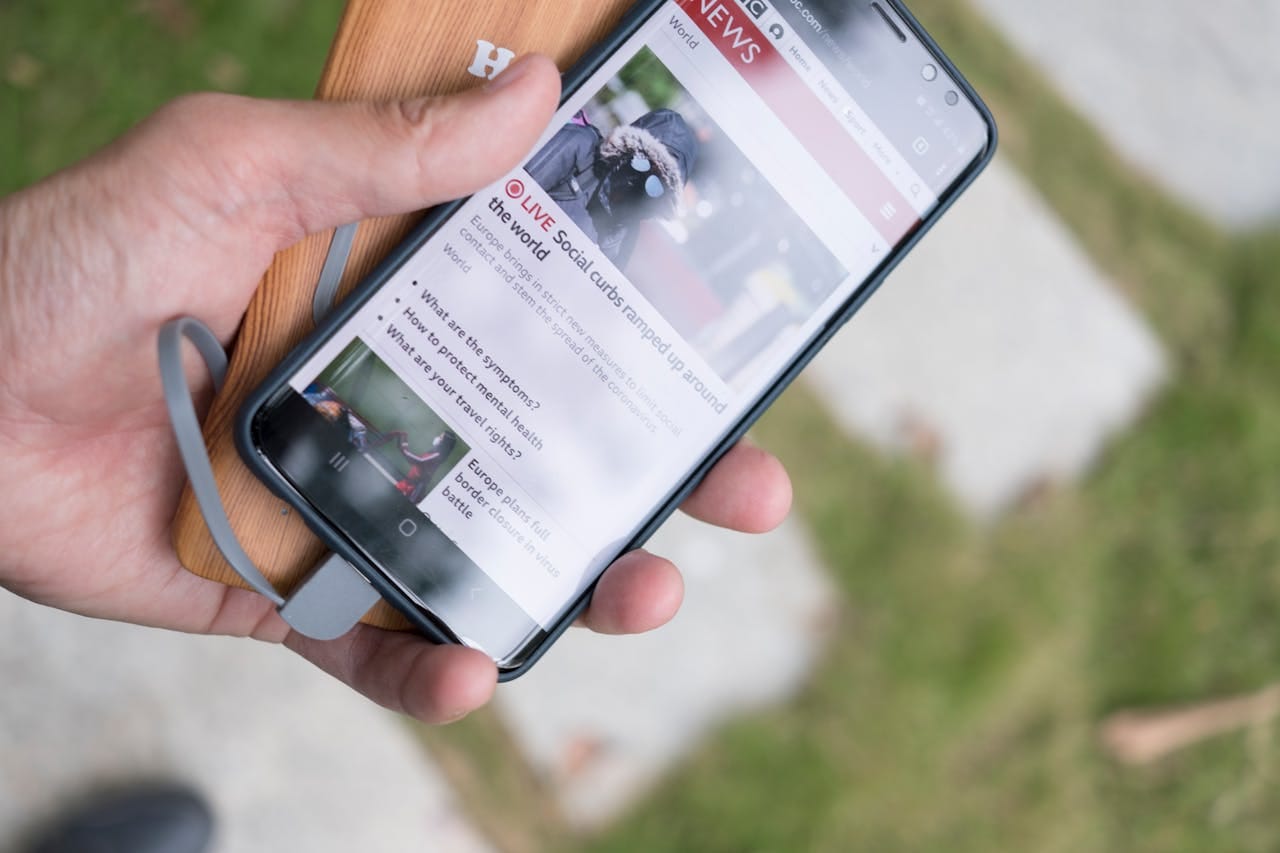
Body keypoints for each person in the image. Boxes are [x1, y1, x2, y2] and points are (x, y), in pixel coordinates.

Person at [0, 55, 791, 729]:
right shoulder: (570, 147)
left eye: (661, 181)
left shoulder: (630, 229)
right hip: (441, 324)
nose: (644, 182)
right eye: (645, 162)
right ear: (628, 143)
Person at [526, 107, 698, 268]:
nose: (642, 179)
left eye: (657, 183)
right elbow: (509, 191)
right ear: (626, 149)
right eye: (642, 162)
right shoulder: (579, 149)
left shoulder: (626, 233)